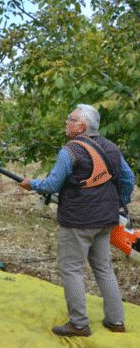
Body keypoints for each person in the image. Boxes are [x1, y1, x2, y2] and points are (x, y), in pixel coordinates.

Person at [19, 104, 134, 337]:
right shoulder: (111, 147)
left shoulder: (70, 151)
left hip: (77, 222)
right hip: (106, 220)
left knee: (71, 269)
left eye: (69, 119)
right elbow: (128, 178)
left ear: (81, 126)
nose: (66, 123)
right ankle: (116, 321)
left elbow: (51, 185)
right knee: (104, 268)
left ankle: (79, 324)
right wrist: (119, 202)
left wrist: (31, 184)